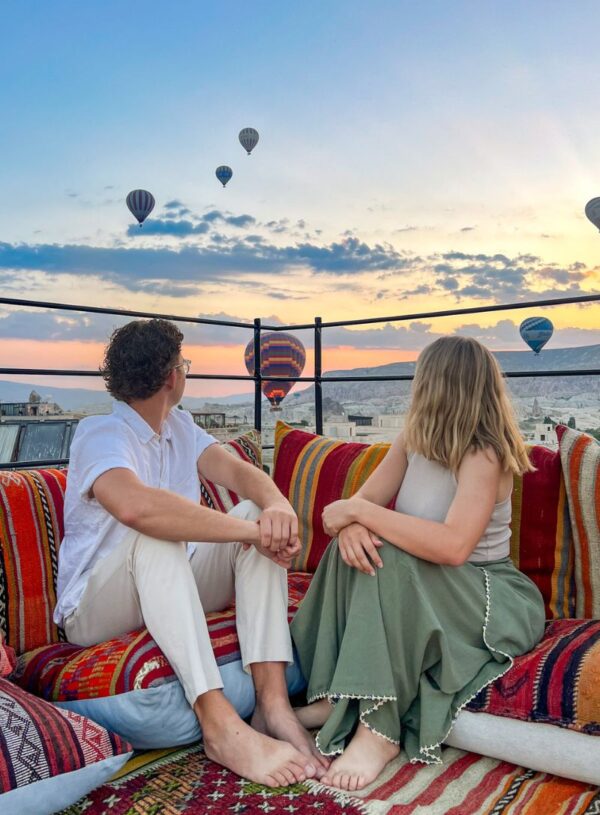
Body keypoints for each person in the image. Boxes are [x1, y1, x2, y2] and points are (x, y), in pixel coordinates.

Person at [54, 318, 328, 788]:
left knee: (249, 514)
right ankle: (218, 722)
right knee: (159, 535)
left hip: (169, 586)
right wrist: (248, 534)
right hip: (95, 608)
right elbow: (137, 508)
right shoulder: (101, 433)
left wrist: (276, 507)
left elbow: (243, 476)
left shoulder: (180, 426)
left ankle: (273, 705)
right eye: (184, 365)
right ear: (172, 377)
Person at [291, 336, 546, 792]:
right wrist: (352, 526)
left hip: (486, 593)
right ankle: (337, 695)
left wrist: (363, 516)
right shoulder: (413, 439)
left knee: (386, 558)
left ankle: (378, 732)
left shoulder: (482, 453)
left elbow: (453, 548)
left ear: (437, 384)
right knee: (356, 550)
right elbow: (342, 512)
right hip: (423, 582)